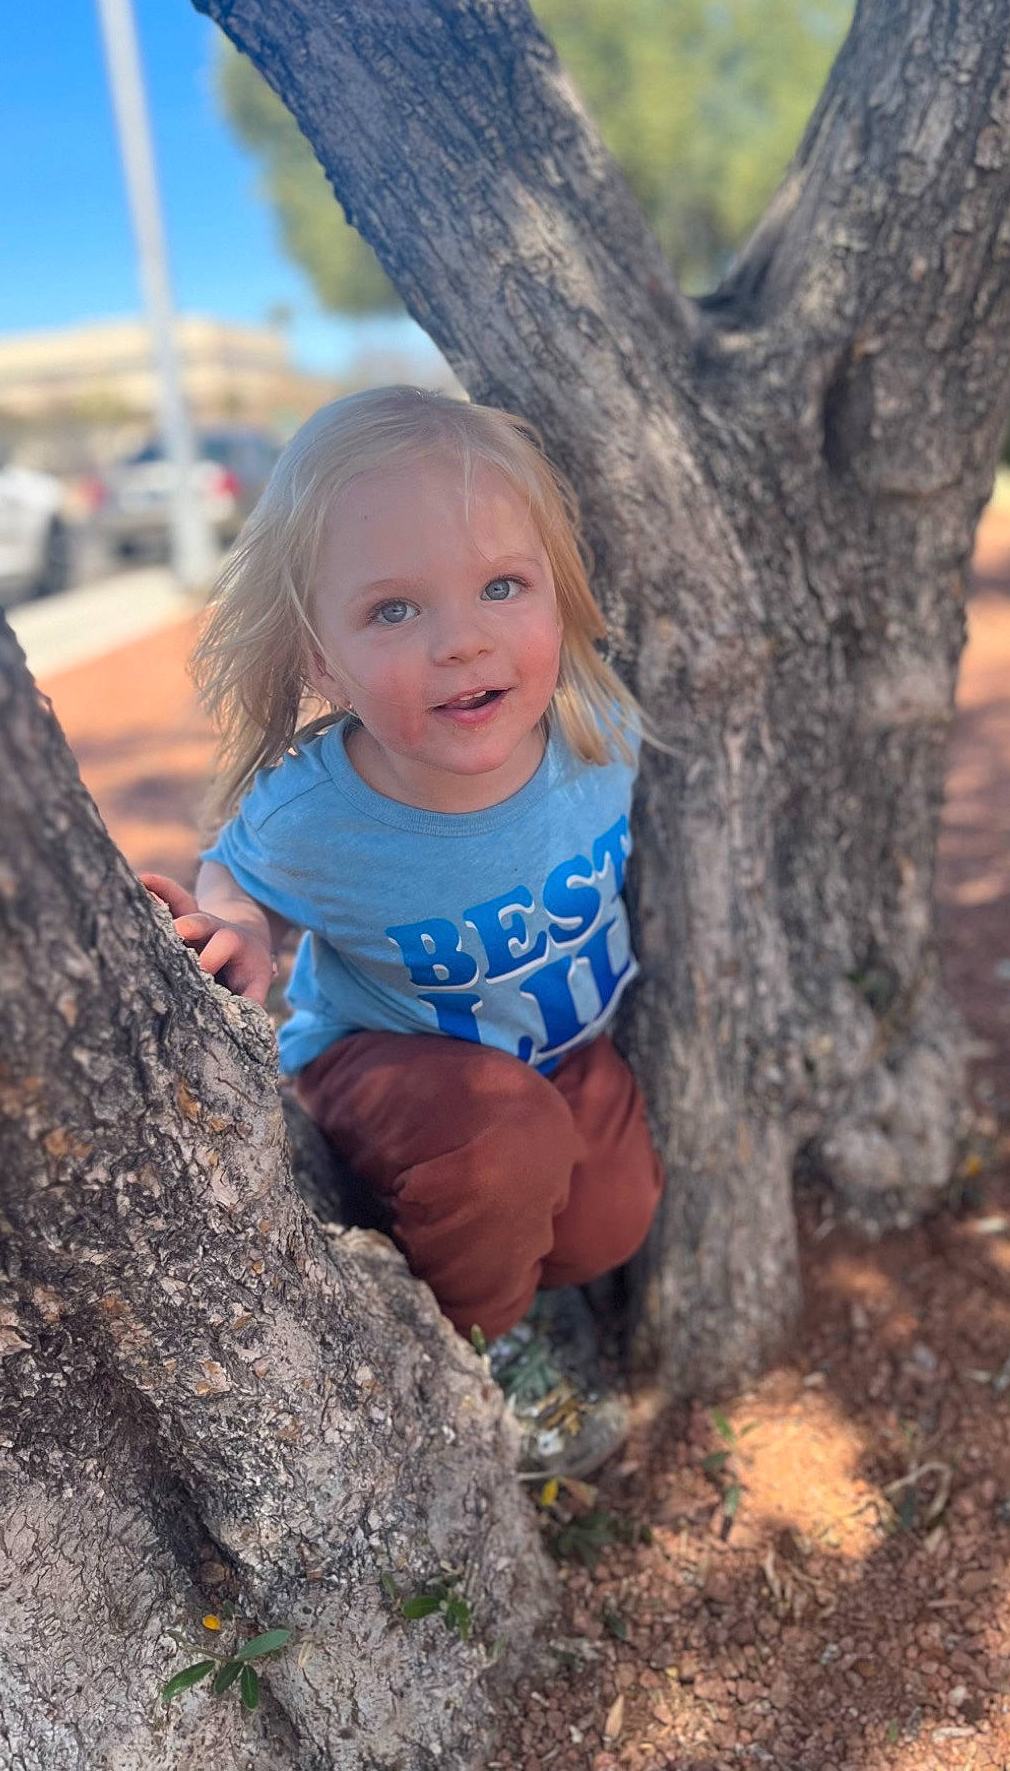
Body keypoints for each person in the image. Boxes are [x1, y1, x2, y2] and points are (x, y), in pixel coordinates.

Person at [142, 386, 664, 1475]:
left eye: (502, 585)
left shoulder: (597, 733)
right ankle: (476, 1345)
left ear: (558, 599)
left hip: (558, 1052)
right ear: (323, 660)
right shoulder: (324, 809)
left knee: (612, 1211)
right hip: (390, 1067)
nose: (461, 640)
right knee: (497, 1147)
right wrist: (233, 936)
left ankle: (529, 1283)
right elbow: (239, 874)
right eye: (393, 610)